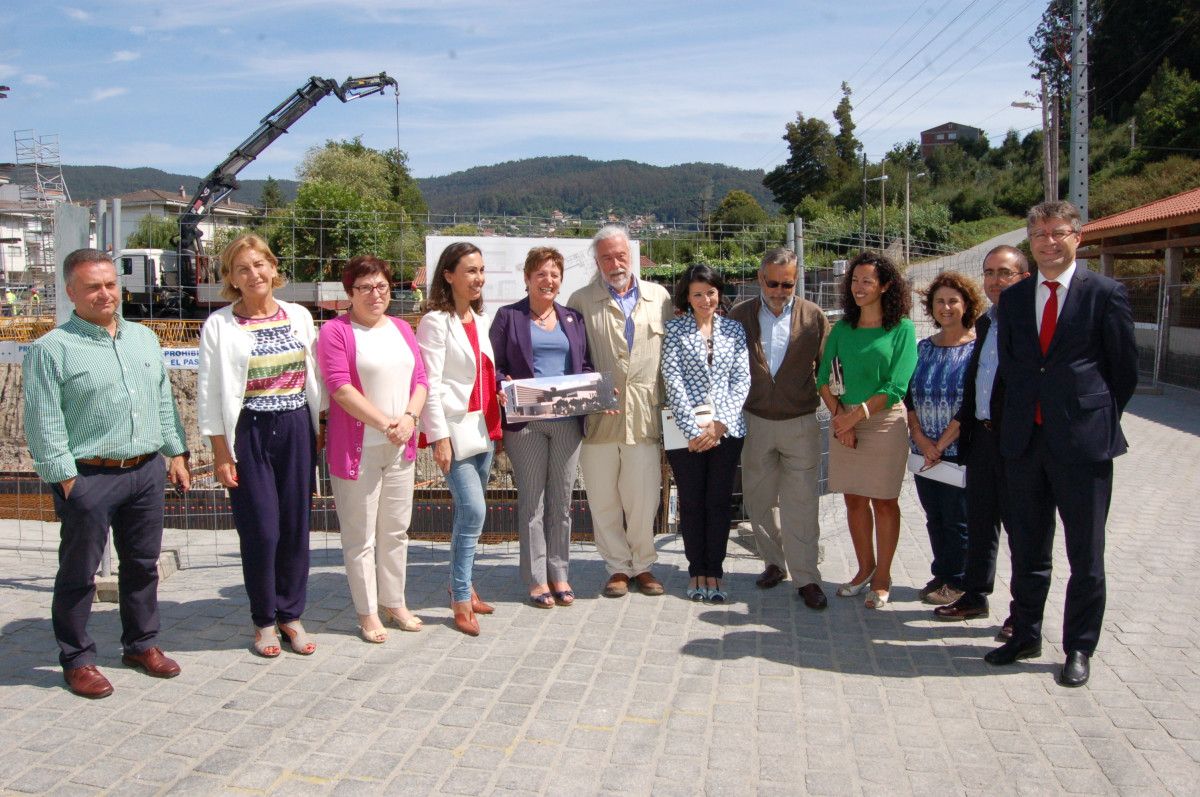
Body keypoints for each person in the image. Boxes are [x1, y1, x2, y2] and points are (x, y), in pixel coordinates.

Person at [23, 248, 190, 699]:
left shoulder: (143, 339)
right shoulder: (50, 350)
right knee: (79, 573)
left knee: (141, 565)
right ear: (71, 292)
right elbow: (42, 420)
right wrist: (66, 480)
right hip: (88, 478)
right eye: (93, 287)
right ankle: (77, 659)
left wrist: (175, 453)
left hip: (145, 472)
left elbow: (162, 400)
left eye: (110, 284)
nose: (104, 293)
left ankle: (141, 644)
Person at [986, 201, 1137, 688]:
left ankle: (1079, 647)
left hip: (1083, 446)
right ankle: (1025, 632)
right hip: (1025, 443)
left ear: (1078, 237)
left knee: (1085, 555)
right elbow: (1010, 369)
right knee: (1028, 547)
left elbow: (1123, 372)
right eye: (1039, 234)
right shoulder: (1013, 299)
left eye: (1058, 232)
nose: (1048, 242)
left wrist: (1090, 416)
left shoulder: (1105, 294)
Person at [198, 234, 323, 658]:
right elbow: (209, 392)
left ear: (273, 268)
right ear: (231, 278)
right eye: (242, 268)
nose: (254, 274)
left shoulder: (299, 316)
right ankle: (263, 621)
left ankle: (290, 615)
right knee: (262, 530)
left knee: (294, 528)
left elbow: (315, 378)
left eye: (260, 264)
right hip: (248, 431)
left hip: (295, 428)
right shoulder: (219, 324)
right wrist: (220, 452)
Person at [317, 255, 429, 643]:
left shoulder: (400, 327)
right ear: (350, 293)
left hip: (401, 447)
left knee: (396, 531)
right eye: (365, 287)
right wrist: (387, 423)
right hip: (358, 451)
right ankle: (367, 612)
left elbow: (421, 377)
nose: (375, 293)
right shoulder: (335, 332)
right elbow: (340, 388)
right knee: (360, 537)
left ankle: (394, 601)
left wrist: (410, 420)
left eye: (381, 285)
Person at [567, 225, 674, 599]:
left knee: (644, 497)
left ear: (632, 256)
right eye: (606, 257)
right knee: (602, 498)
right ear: (597, 261)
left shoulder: (659, 297)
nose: (615, 263)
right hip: (599, 418)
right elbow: (574, 359)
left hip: (644, 416)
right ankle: (616, 567)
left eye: (620, 256)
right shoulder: (580, 301)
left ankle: (643, 565)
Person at [933, 246, 1030, 638]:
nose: (995, 281)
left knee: (1024, 531)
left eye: (1004, 273)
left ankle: (1022, 614)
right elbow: (978, 385)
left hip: (1021, 442)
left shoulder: (1032, 321)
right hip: (983, 440)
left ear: (1025, 277)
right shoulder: (988, 322)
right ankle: (975, 594)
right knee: (980, 522)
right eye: (989, 273)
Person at [489, 247, 592, 608]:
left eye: (555, 275)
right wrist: (504, 388)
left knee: (562, 503)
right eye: (542, 274)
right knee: (532, 502)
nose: (549, 281)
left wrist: (599, 393)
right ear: (528, 278)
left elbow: (585, 365)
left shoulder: (573, 320)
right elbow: (495, 367)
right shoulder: (508, 317)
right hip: (528, 424)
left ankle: (559, 573)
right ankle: (535, 579)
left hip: (567, 424)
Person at [729, 248, 830, 609]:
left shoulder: (814, 316)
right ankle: (774, 562)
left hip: (800, 423)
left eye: (787, 284)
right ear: (760, 279)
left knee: (800, 504)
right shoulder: (739, 316)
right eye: (772, 283)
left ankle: (807, 578)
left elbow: (826, 372)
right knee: (757, 500)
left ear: (795, 281)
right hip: (754, 422)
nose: (778, 291)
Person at [817, 251, 917, 610]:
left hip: (883, 423)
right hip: (843, 421)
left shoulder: (902, 329)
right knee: (854, 499)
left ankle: (884, 576)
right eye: (855, 281)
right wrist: (840, 420)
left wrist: (854, 417)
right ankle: (863, 569)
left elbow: (897, 386)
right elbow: (824, 378)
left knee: (884, 502)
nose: (859, 288)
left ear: (885, 285)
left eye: (867, 281)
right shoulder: (842, 329)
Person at [417, 242, 503, 636]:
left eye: (481, 270)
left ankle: (462, 584)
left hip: (484, 429)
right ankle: (459, 599)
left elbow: (483, 373)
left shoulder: (479, 319)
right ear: (448, 275)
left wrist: (500, 390)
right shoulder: (436, 321)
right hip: (454, 430)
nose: (478, 278)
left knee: (470, 515)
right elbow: (429, 385)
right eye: (470, 270)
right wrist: (438, 437)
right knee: (473, 512)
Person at [662, 264, 750, 602]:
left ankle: (715, 570)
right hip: (686, 434)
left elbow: (742, 380)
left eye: (710, 292)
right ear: (687, 296)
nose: (705, 299)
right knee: (692, 501)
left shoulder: (734, 330)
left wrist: (720, 425)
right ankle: (695, 568)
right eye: (697, 293)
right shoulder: (675, 330)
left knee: (718, 502)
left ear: (719, 294)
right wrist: (692, 429)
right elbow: (673, 380)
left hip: (726, 432)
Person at [905, 271, 984, 606]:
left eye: (953, 300)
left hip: (956, 449)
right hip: (923, 449)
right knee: (934, 515)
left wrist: (940, 444)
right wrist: (920, 438)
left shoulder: (976, 349)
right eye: (940, 301)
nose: (946, 307)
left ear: (966, 305)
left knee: (958, 519)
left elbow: (972, 403)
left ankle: (961, 581)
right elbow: (908, 395)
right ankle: (942, 572)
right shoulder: (922, 348)